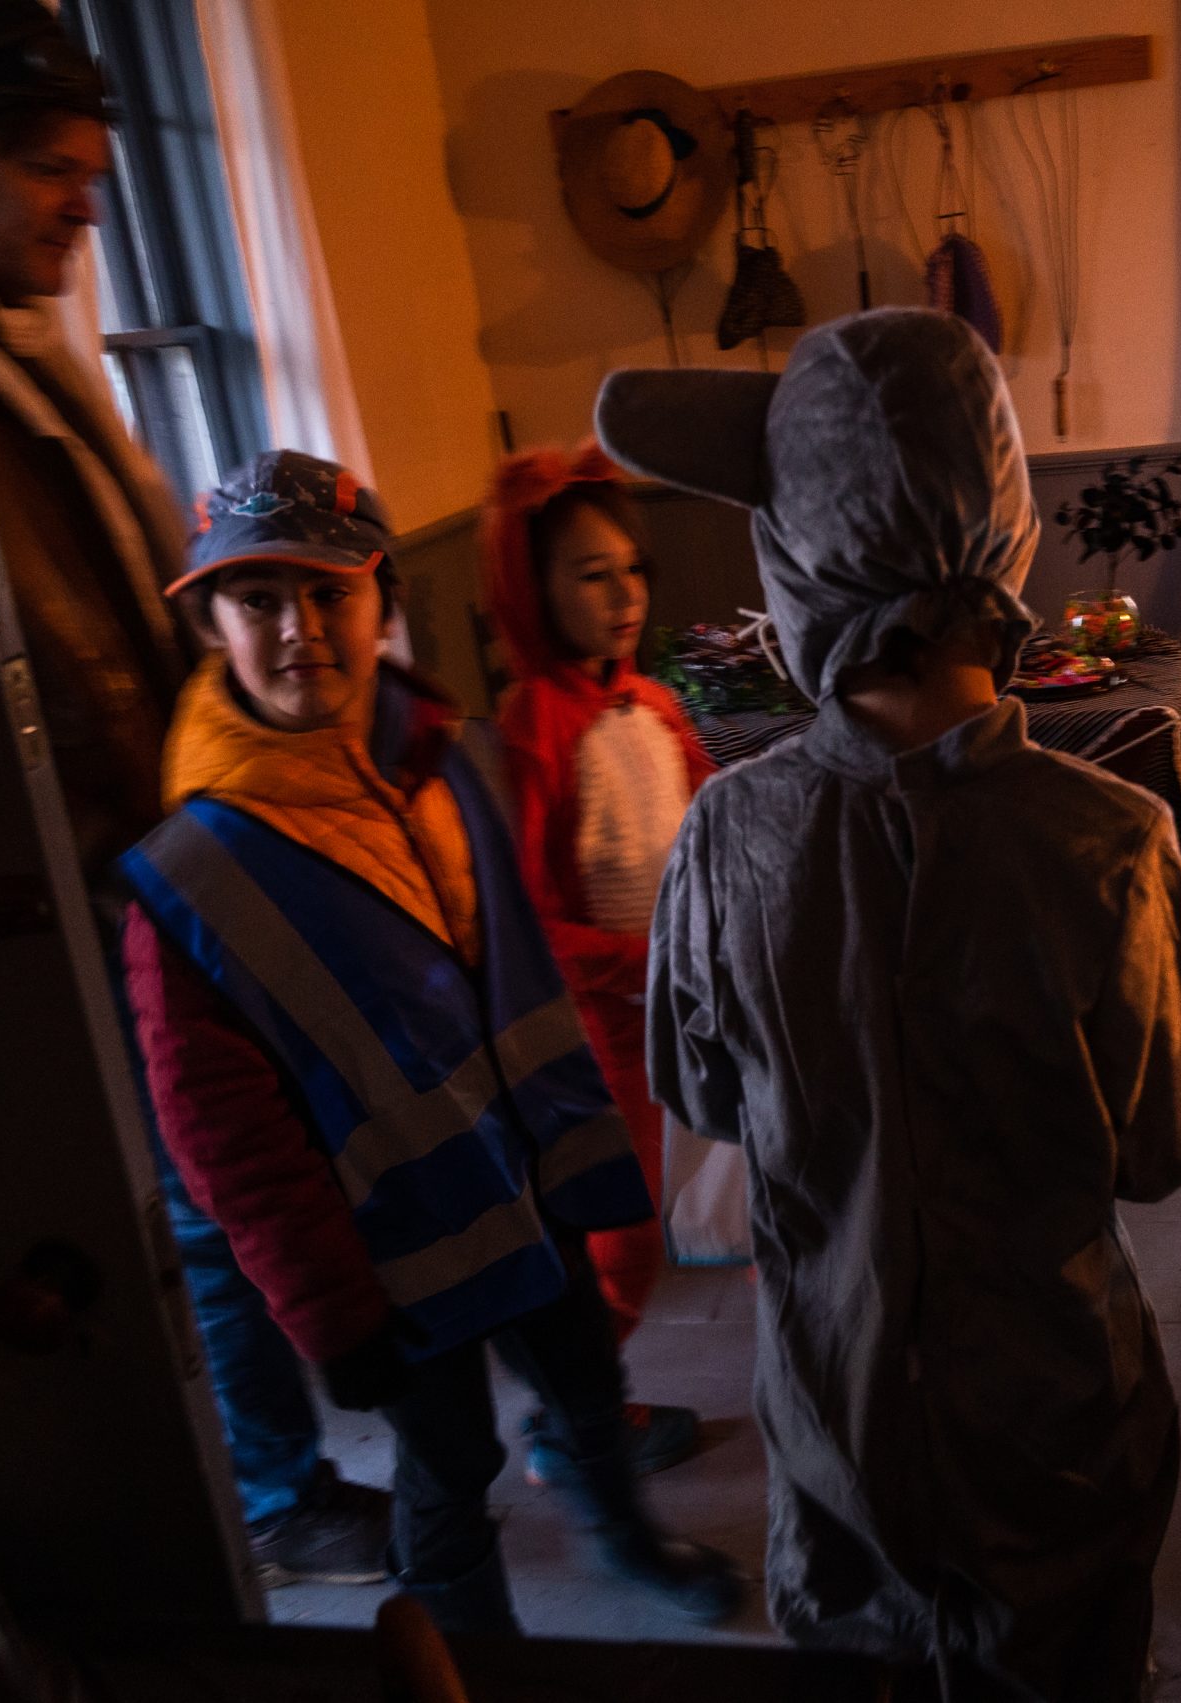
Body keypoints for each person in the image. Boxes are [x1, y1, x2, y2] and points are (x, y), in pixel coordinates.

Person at [596, 309, 1181, 1702]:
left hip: (837, 1418)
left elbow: (701, 1093)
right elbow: (1168, 1142)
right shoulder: (1114, 838)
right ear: (1007, 537)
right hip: (1061, 1423)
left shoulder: (723, 835)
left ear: (793, 563)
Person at [0, 0, 391, 1584]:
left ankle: (284, 1460)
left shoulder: (30, 365)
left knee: (229, 1188)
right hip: (98, 879)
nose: (85, 207)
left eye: (94, 173)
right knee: (202, 1205)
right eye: (46, 168)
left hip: (159, 853)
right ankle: (275, 1490)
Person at [118, 451, 743, 1635]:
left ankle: (625, 1532)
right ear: (209, 623)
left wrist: (575, 1149)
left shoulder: (438, 758)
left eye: (329, 592)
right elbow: (226, 1142)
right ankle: (463, 1649)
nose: (298, 628)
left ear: (383, 601)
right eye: (257, 598)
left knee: (584, 1378)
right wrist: (330, 1311)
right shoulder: (192, 878)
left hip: (527, 1188)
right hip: (392, 1252)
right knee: (448, 1461)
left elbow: (510, 979)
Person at [477, 445, 716, 1486]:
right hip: (597, 1028)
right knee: (616, 1233)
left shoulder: (656, 703)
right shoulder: (536, 722)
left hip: (675, 1000)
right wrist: (650, 958)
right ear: (533, 589)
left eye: (633, 570)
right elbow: (529, 921)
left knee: (690, 1194)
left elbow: (715, 817)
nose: (625, 597)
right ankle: (572, 1417)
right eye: (591, 574)